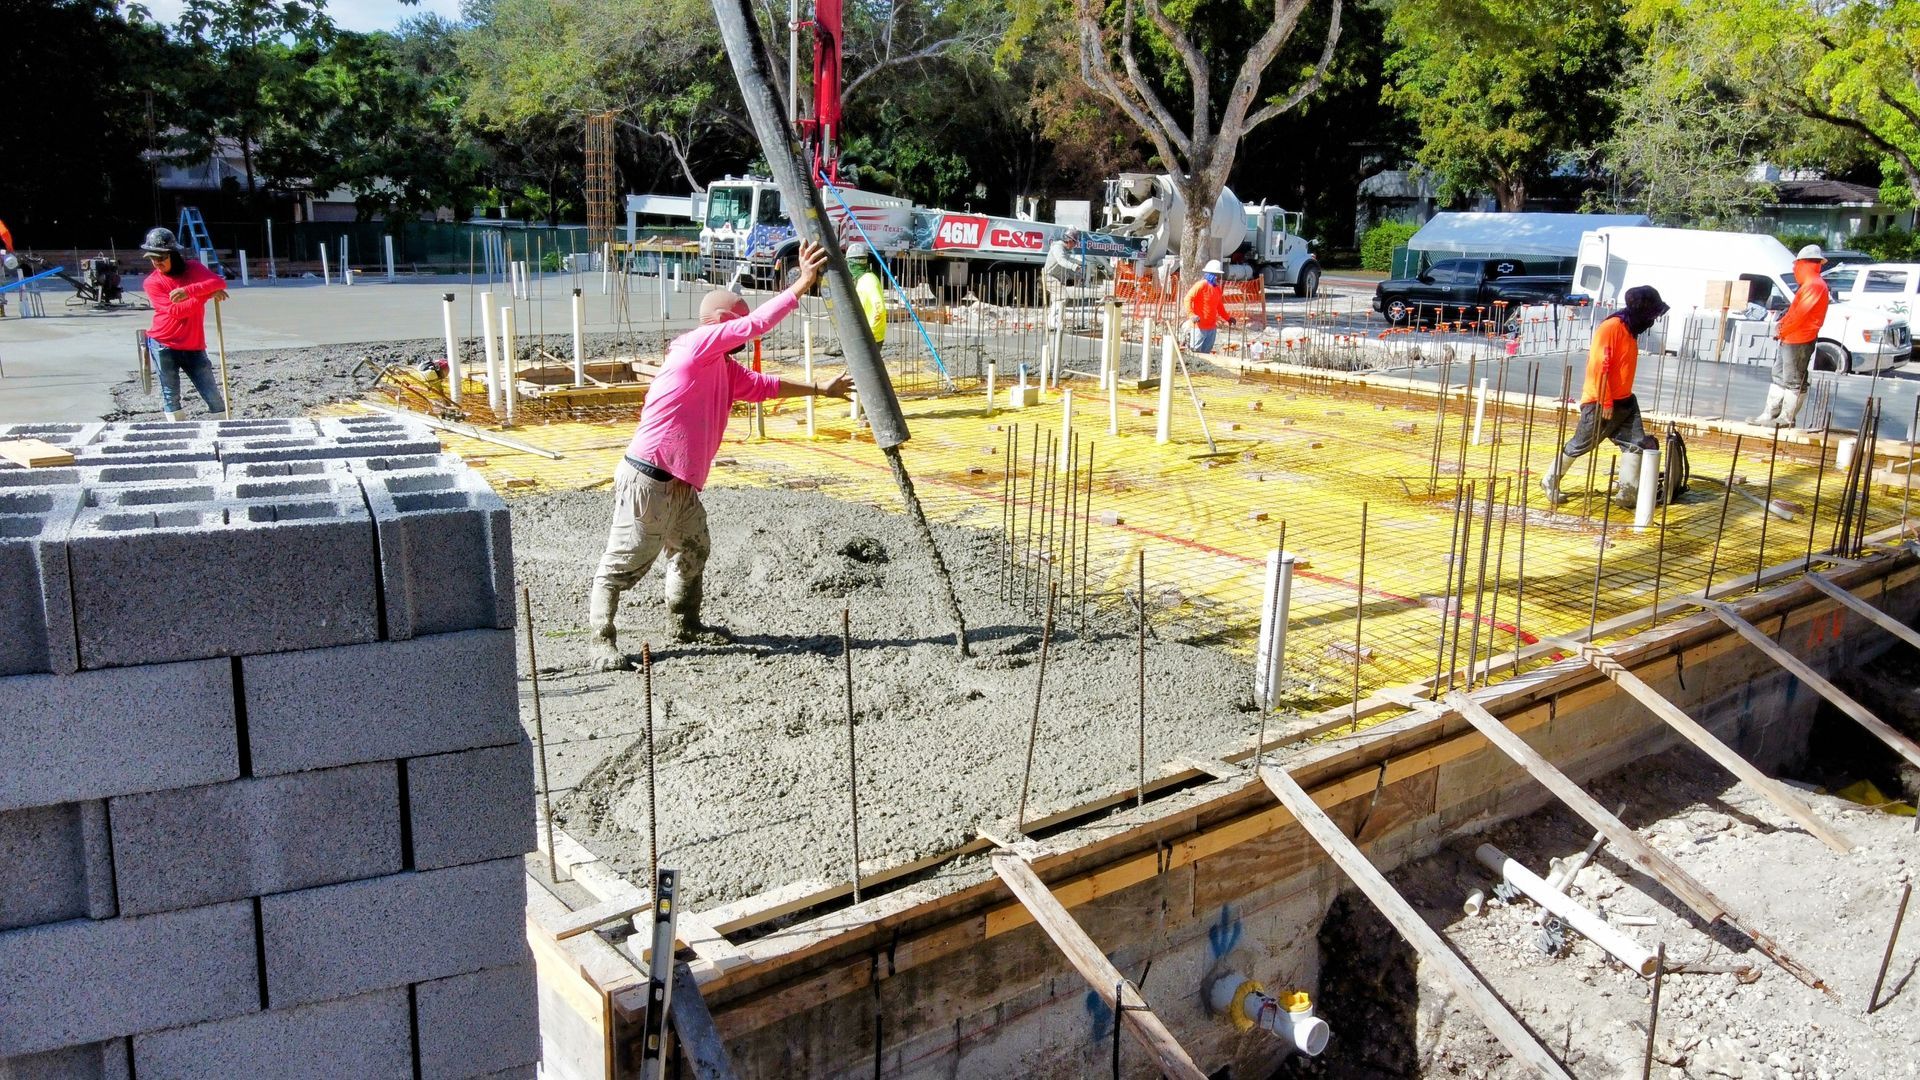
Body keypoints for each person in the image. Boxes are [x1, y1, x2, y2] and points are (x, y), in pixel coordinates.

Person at [589, 239, 854, 670]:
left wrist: (820, 388)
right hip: (648, 477)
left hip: (679, 485)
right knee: (625, 562)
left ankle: (685, 622)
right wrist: (801, 284)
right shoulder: (694, 348)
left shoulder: (725, 371)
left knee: (694, 547)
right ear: (721, 325)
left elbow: (767, 387)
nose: (745, 335)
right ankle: (600, 640)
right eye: (739, 325)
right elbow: (755, 327)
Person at [1541, 285, 1669, 508]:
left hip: (1626, 400)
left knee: (1635, 445)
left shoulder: (1630, 329)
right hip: (1600, 402)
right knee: (1581, 444)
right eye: (1651, 315)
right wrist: (1605, 400)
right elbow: (1600, 367)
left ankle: (1628, 493)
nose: (1652, 321)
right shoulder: (1611, 328)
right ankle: (1549, 480)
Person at [139, 227, 229, 421]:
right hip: (164, 343)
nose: (157, 263)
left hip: (193, 344)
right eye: (153, 258)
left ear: (173, 255)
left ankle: (224, 426)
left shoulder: (193, 268)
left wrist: (190, 291)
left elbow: (219, 283)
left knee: (212, 393)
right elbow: (176, 311)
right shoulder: (152, 282)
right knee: (171, 393)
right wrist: (204, 294)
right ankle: (177, 429)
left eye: (161, 258)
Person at [1749, 244, 1830, 428]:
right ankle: (1769, 415)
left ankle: (1786, 418)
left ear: (1804, 264)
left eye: (1797, 265)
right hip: (1791, 337)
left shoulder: (1815, 286)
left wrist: (1783, 329)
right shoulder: (1809, 285)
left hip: (1800, 339)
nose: (1794, 269)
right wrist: (1783, 328)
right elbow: (1795, 312)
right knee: (1778, 375)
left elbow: (1801, 314)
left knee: (1794, 380)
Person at [1183, 259, 1234, 353]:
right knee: (1195, 353)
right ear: (1210, 274)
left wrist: (1228, 318)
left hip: (1211, 328)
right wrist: (1191, 315)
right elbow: (1187, 299)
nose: (1219, 278)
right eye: (1217, 275)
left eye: (1219, 275)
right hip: (1199, 327)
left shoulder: (1217, 289)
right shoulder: (1201, 285)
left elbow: (1219, 307)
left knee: (1206, 354)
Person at [846, 241, 886, 351]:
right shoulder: (861, 279)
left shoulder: (868, 280)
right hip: (865, 334)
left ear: (852, 264)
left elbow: (880, 309)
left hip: (872, 336)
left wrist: (869, 333)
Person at [1044, 228, 1083, 317]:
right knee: (1063, 296)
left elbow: (1068, 259)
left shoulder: (1064, 249)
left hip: (1055, 278)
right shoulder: (1058, 247)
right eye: (1075, 243)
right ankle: (1056, 323)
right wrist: (1074, 266)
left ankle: (1052, 322)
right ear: (1069, 241)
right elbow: (1062, 260)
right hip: (1049, 278)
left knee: (1057, 299)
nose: (1075, 245)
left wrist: (1080, 263)